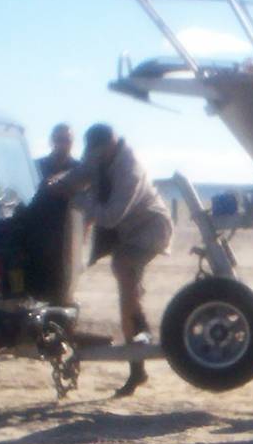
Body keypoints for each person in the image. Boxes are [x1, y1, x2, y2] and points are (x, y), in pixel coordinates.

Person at [47, 124, 174, 397]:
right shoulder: (98, 154)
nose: (93, 156)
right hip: (121, 228)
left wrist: (80, 200)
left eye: (97, 152)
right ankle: (62, 317)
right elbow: (81, 174)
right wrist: (58, 185)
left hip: (148, 229)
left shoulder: (129, 170)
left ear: (111, 145)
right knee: (70, 265)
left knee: (123, 269)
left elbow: (110, 216)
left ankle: (138, 354)